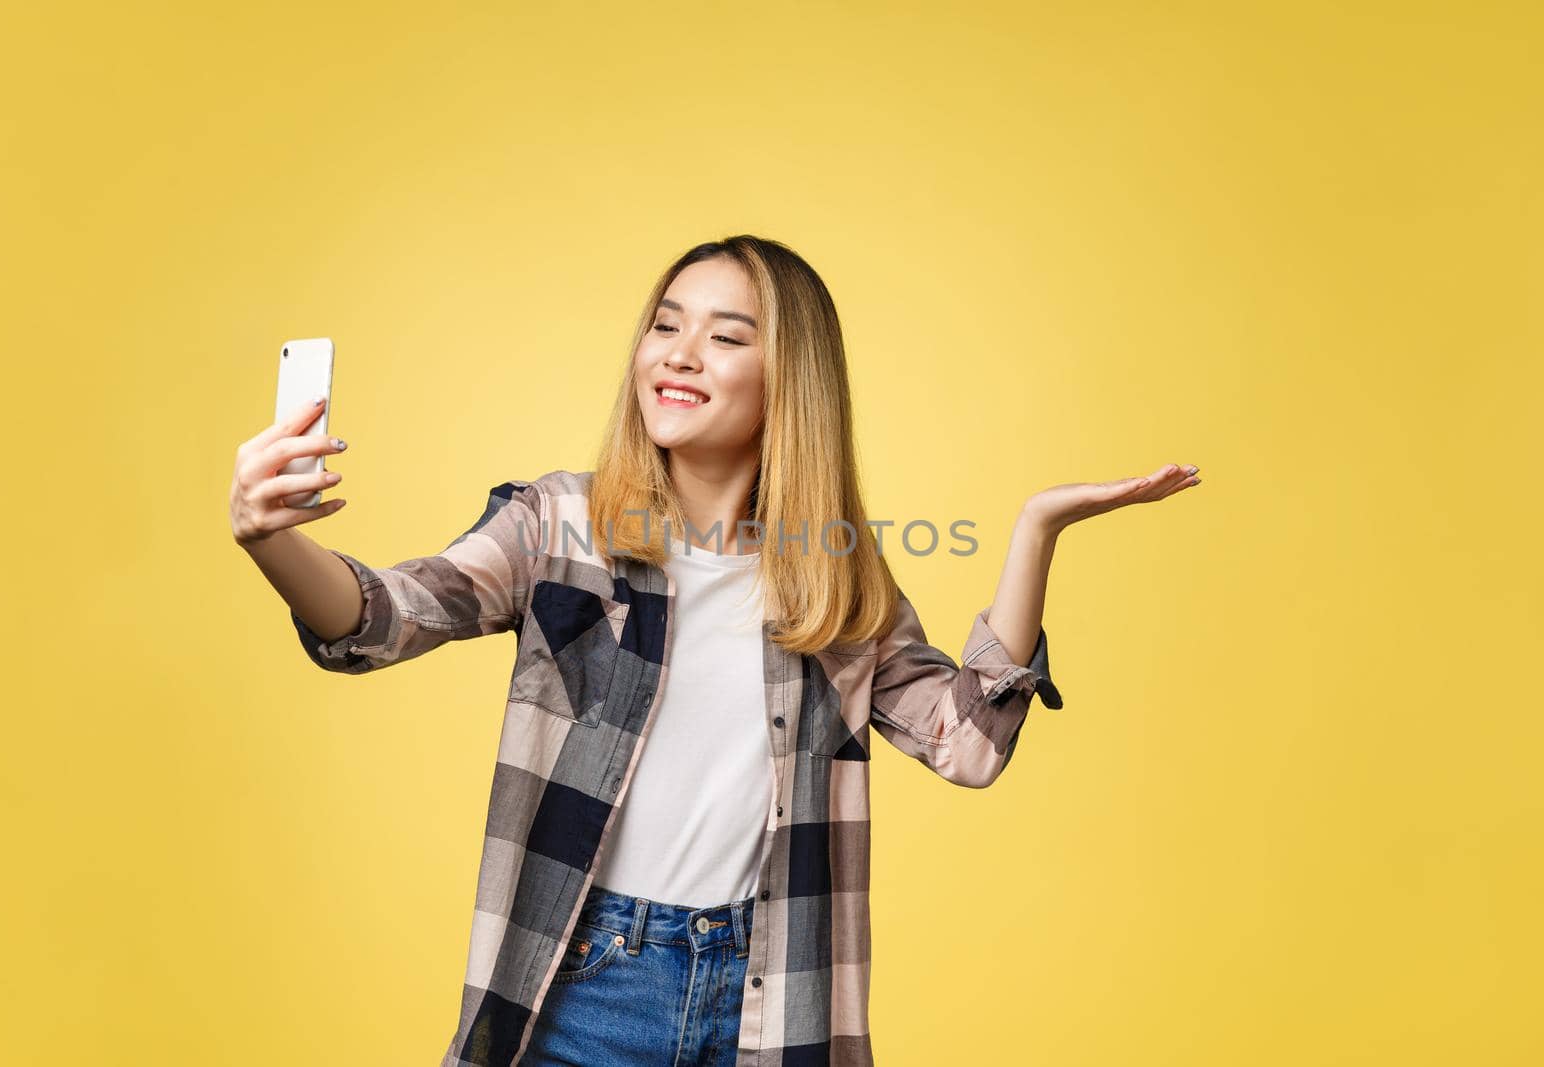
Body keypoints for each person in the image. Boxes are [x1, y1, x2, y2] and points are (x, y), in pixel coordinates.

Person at [228, 235, 1202, 1066]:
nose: (680, 353)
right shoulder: (559, 523)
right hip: (588, 983)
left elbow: (970, 745)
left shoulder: (835, 579)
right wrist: (273, 537)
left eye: (725, 335)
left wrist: (1036, 531)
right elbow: (378, 619)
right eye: (665, 323)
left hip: (774, 1001)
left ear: (789, 379)